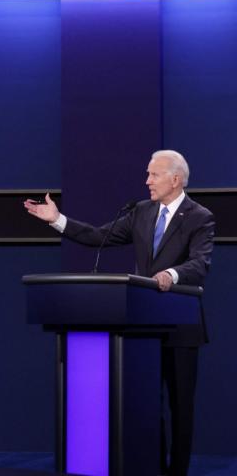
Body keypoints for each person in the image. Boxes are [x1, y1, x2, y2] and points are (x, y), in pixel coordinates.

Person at [23, 149, 214, 476]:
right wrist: (57, 219)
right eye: (148, 174)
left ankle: (177, 471)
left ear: (175, 179)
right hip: (143, 327)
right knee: (147, 407)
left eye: (153, 175)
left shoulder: (199, 216)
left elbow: (200, 263)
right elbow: (99, 235)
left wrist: (172, 275)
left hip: (181, 327)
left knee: (180, 407)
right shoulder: (141, 212)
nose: (147, 181)